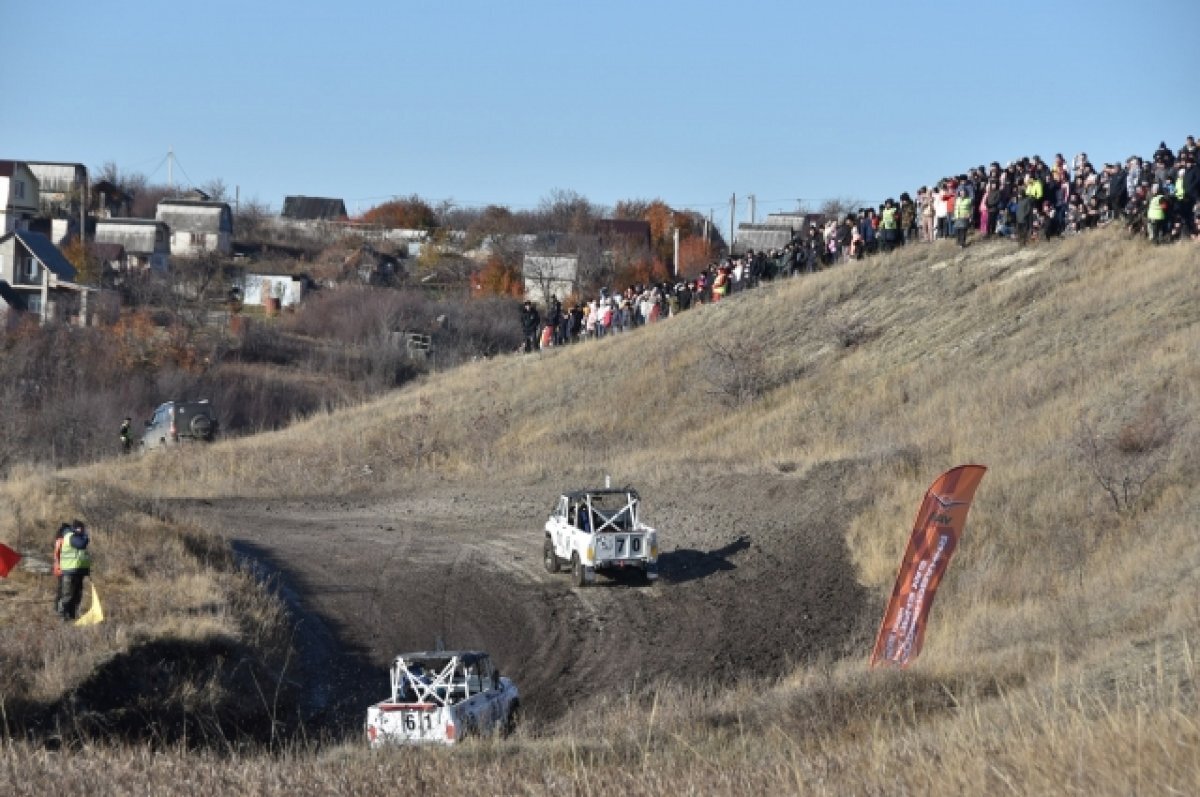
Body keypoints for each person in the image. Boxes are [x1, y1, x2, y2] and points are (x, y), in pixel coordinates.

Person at [55, 520, 92, 621]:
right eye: (82, 528)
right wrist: (85, 536)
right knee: (68, 596)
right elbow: (81, 544)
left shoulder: (75, 536)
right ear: (77, 528)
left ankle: (71, 616)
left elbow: (81, 555)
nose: (83, 530)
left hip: (77, 571)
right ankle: (62, 616)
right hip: (69, 572)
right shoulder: (70, 536)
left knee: (76, 596)